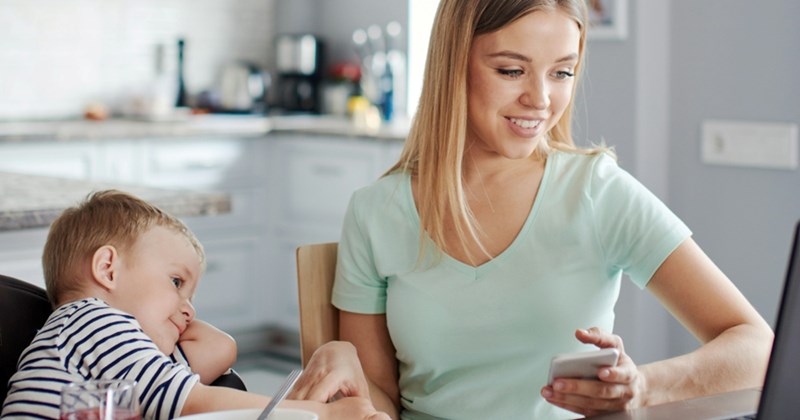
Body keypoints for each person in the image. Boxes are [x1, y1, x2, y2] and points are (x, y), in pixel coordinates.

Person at [293, 0, 775, 418]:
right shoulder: (376, 212)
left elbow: (756, 346)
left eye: (562, 72)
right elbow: (380, 395)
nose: (541, 100)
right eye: (511, 70)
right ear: (452, 64)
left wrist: (645, 385)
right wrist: (352, 381)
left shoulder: (597, 192)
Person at [1, 190, 388, 420]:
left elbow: (218, 351)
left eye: (191, 296)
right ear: (107, 269)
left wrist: (173, 317)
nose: (190, 309)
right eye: (176, 282)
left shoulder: (127, 357)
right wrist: (319, 414)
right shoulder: (92, 321)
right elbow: (188, 400)